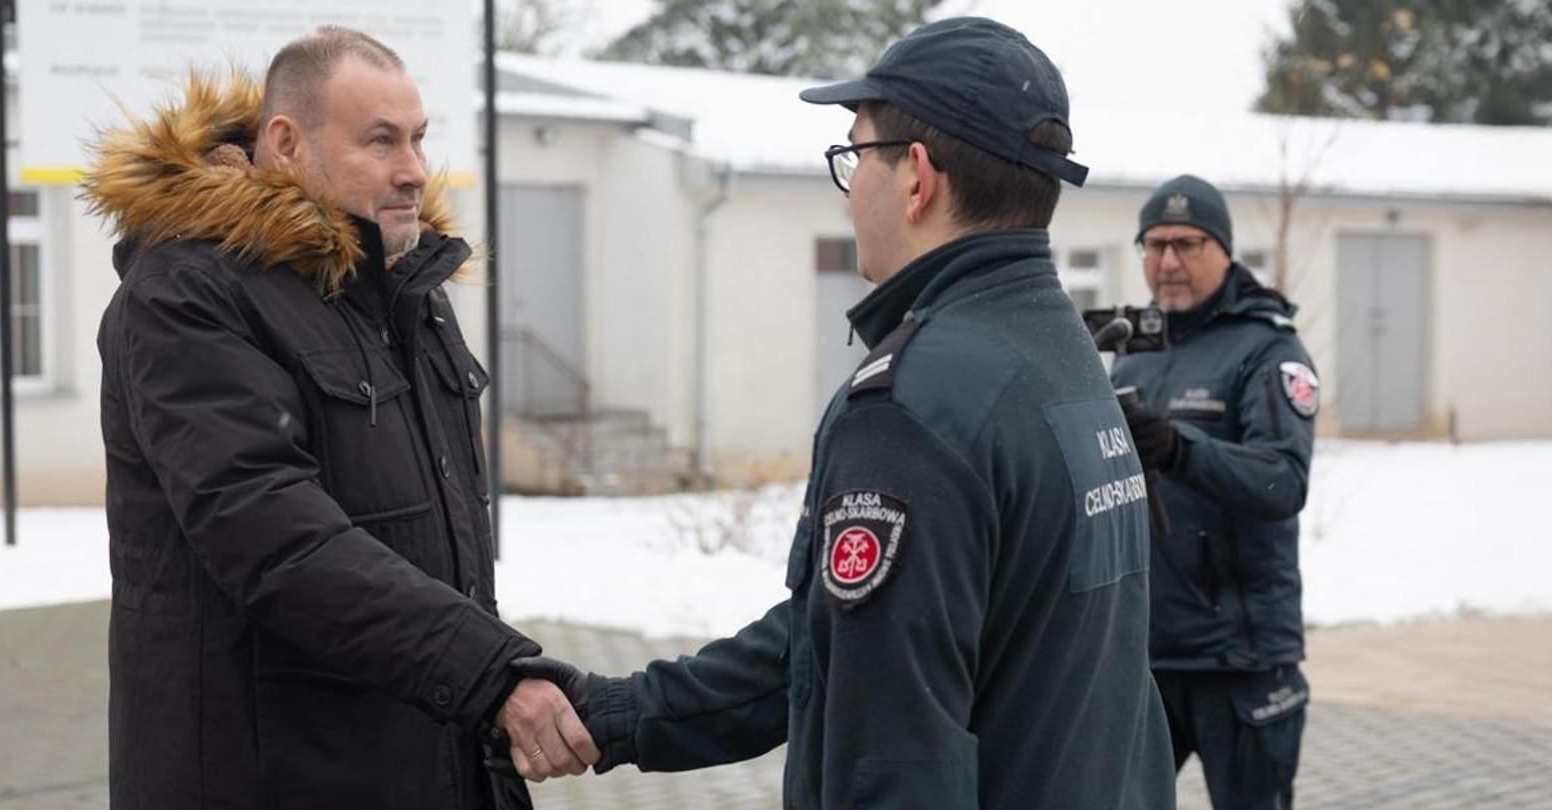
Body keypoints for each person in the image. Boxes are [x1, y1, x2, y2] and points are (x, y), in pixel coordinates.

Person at [513, 17, 1174, 808]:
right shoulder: (1058, 352)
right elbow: (847, 637)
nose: (851, 185)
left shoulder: (914, 406)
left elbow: (893, 755)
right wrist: (625, 715)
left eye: (855, 155)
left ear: (917, 177)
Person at [87, 26, 595, 809]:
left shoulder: (403, 289)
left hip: (415, 756)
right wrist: (490, 673)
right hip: (265, 771)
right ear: (286, 143)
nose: (414, 170)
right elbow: (275, 536)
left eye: (420, 139)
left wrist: (476, 712)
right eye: (381, 141)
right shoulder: (187, 297)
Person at [1112, 174, 1319, 809]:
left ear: (1224, 251)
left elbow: (1282, 480)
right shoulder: (1133, 342)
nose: (1168, 262)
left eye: (1188, 244)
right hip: (1148, 653)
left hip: (1241, 660)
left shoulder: (1268, 346)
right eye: (1154, 245)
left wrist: (1178, 448)